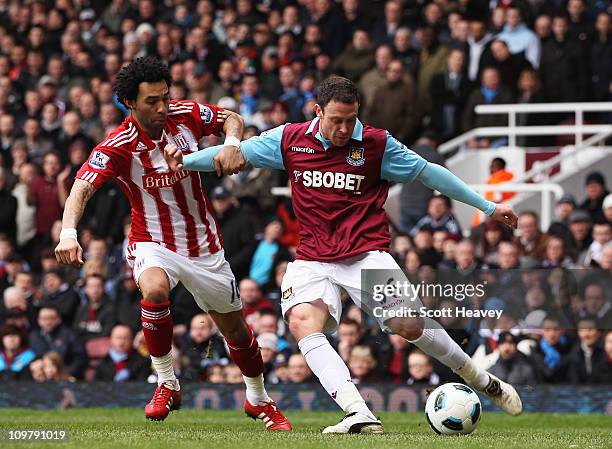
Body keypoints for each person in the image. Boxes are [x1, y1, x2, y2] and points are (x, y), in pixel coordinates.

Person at [166, 76, 523, 434]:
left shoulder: (377, 144)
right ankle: (359, 413)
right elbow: (235, 153)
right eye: (336, 120)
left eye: (350, 120)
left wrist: (488, 207)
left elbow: (430, 175)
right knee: (303, 323)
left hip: (365, 253)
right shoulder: (290, 139)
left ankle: (480, 379)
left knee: (410, 326)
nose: (343, 128)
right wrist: (184, 161)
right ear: (317, 111)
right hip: (312, 258)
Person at [54, 57, 290, 429]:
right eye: (152, 101)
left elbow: (231, 118)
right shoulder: (118, 145)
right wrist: (68, 233)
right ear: (130, 102)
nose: (163, 107)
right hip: (152, 241)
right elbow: (80, 188)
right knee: (155, 291)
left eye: (165, 97)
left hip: (204, 246)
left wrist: (230, 143)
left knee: (236, 331)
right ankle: (167, 381)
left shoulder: (185, 114)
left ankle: (258, 398)